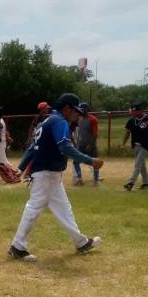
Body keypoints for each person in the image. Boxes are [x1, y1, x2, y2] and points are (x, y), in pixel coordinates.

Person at [9, 93, 104, 262]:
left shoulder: (47, 120)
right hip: (46, 173)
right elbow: (65, 147)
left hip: (49, 174)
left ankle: (81, 242)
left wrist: (21, 167)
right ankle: (17, 247)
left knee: (64, 209)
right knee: (34, 207)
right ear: (66, 109)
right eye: (75, 111)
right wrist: (90, 160)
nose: (77, 115)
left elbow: (32, 147)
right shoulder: (60, 121)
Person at [72, 103, 100, 186]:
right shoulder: (79, 119)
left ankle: (96, 180)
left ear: (87, 110)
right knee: (76, 162)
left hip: (90, 145)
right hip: (81, 144)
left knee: (95, 162)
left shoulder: (93, 119)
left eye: (82, 109)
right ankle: (79, 178)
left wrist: (90, 145)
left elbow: (95, 134)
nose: (80, 111)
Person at [123, 103, 148, 191]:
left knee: (137, 164)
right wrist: (123, 144)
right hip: (135, 145)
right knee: (141, 165)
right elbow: (127, 133)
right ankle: (146, 183)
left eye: (134, 111)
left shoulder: (147, 119)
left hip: (145, 145)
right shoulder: (131, 121)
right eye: (132, 111)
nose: (132, 112)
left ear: (140, 110)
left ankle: (131, 182)